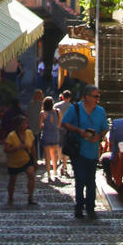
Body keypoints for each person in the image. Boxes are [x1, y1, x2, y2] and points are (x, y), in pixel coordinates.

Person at [60, 86, 109, 219]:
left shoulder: (100, 111)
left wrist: (98, 136)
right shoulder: (75, 109)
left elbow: (105, 128)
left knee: (91, 181)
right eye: (95, 96)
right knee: (80, 179)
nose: (97, 99)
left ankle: (91, 208)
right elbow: (64, 123)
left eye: (98, 96)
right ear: (86, 97)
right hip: (78, 150)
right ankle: (79, 206)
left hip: (93, 151)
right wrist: (78, 131)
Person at [3, 114, 37, 206]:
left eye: (26, 123)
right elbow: (5, 150)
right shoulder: (11, 136)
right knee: (12, 180)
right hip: (14, 162)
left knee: (31, 175)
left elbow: (33, 147)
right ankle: (10, 197)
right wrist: (17, 148)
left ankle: (30, 197)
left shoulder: (29, 133)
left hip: (26, 160)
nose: (26, 125)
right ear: (18, 126)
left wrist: (34, 160)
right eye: (23, 124)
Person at [39, 96, 61, 182]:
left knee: (47, 156)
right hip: (55, 134)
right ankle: (55, 171)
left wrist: (46, 125)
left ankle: (48, 174)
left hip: (46, 135)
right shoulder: (57, 112)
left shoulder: (43, 113)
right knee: (54, 154)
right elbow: (59, 124)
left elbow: (40, 125)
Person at [53, 84, 74, 178]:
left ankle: (60, 160)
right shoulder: (72, 107)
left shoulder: (56, 106)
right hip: (68, 128)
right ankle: (64, 165)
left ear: (62, 97)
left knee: (59, 145)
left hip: (58, 127)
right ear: (69, 98)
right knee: (67, 146)